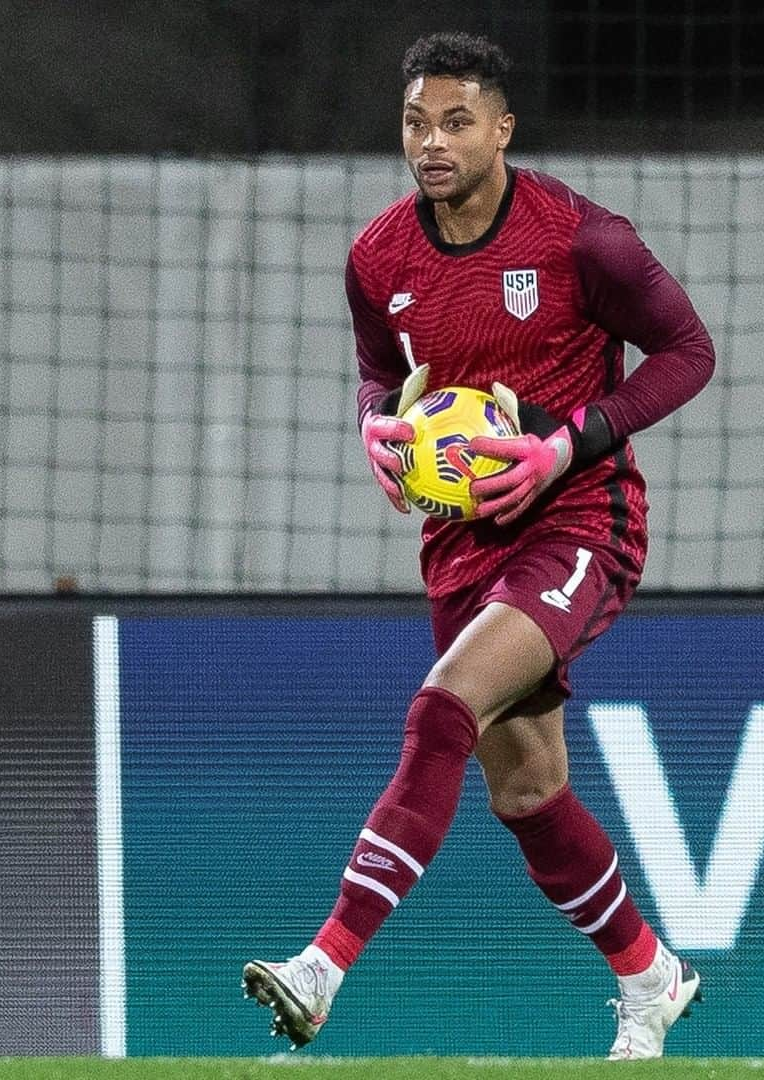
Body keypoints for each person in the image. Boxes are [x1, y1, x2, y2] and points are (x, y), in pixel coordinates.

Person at [243, 30, 715, 1061]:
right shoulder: (377, 256)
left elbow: (690, 352)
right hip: (460, 543)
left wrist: (568, 444)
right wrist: (375, 424)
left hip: (581, 518)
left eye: (457, 121)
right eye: (416, 121)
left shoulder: (585, 241)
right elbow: (379, 371)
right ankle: (651, 977)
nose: (432, 141)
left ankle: (323, 965)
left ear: (503, 128)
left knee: (441, 706)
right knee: (529, 792)